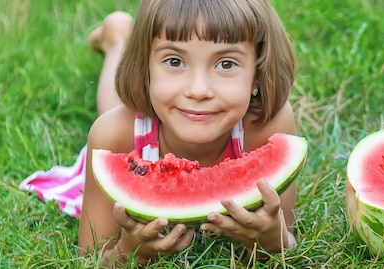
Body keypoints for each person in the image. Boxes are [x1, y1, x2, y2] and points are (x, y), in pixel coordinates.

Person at [77, 0, 298, 266]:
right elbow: (90, 258)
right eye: (174, 60)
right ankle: (117, 40)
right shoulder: (113, 136)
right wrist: (130, 251)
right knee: (112, 110)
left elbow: (287, 236)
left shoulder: (267, 126)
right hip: (135, 127)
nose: (198, 90)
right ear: (144, 68)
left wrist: (274, 241)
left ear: (257, 75)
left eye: (226, 64)